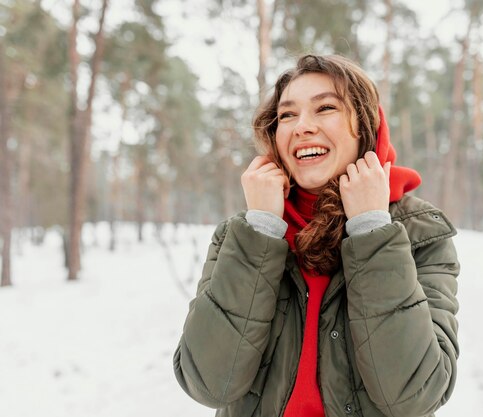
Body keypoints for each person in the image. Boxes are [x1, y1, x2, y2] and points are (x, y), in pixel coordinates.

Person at [173, 54, 460, 417]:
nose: (301, 127)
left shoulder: (420, 233)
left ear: (367, 127)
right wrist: (261, 229)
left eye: (325, 108)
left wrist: (372, 229)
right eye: (288, 115)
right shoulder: (243, 234)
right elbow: (209, 384)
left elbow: (414, 395)